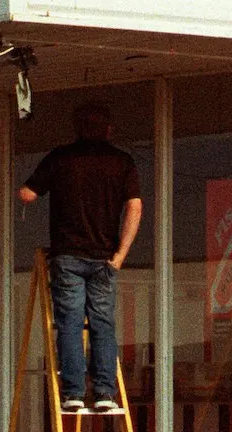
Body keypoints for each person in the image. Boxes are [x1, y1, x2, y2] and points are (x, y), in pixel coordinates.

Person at [17, 102, 143, 415]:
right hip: (104, 259)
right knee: (102, 323)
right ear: (109, 129)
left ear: (77, 129)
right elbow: (135, 207)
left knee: (70, 323)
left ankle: (73, 393)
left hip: (68, 257)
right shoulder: (121, 162)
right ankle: (104, 393)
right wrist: (120, 256)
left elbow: (27, 194)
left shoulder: (60, 158)